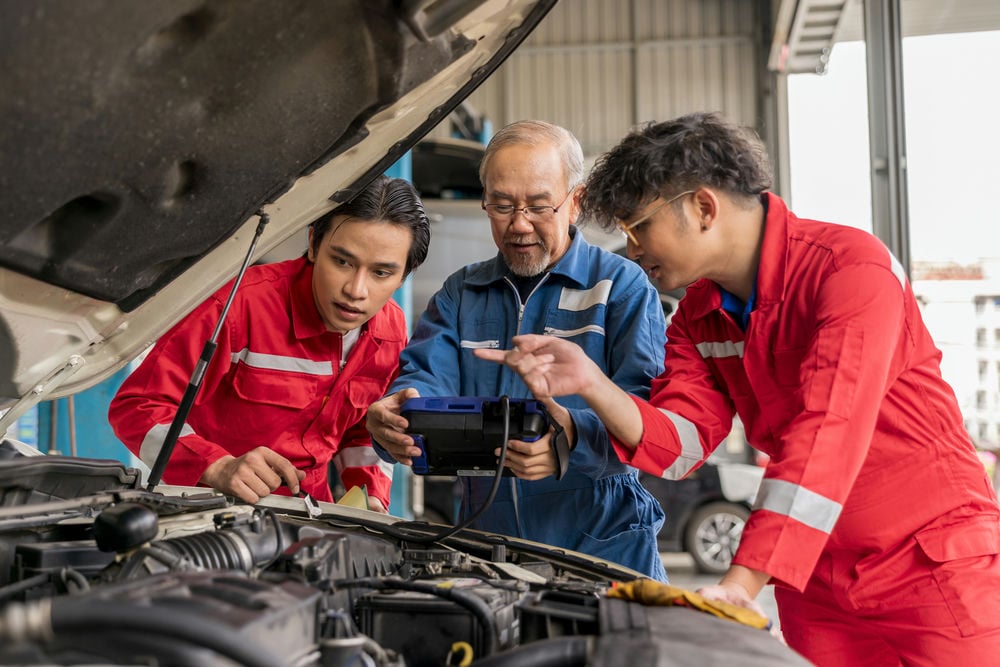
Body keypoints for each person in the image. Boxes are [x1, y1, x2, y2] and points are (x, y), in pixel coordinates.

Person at [476, 112, 1000, 664]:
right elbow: (679, 447)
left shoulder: (851, 270)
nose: (631, 250)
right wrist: (592, 382)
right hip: (814, 579)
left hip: (930, 564)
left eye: (640, 228)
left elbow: (829, 432)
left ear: (703, 207)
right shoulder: (697, 317)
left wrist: (741, 584)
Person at [366, 120, 669, 580]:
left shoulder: (620, 288)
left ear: (575, 203)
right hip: (490, 540)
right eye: (502, 205)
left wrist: (571, 444)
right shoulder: (462, 292)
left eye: (538, 206)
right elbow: (426, 377)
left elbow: (649, 416)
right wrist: (398, 412)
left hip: (603, 539)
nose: (519, 224)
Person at [109, 175, 430, 512]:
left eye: (381, 273)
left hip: (312, 518)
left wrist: (369, 496)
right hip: (209, 511)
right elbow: (136, 407)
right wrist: (217, 466)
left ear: (404, 275)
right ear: (313, 244)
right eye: (342, 262)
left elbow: (362, 431)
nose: (356, 290)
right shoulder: (237, 306)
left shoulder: (390, 331)